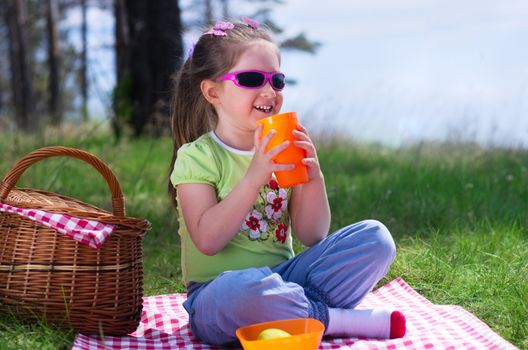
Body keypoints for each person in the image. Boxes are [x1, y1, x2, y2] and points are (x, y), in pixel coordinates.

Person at [167, 18, 406, 346]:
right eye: (251, 79)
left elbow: (312, 235)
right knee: (240, 291)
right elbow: (207, 240)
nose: (269, 91)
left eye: (276, 80)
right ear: (212, 92)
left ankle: (296, 312)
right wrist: (255, 175)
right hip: (217, 297)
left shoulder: (283, 148)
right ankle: (330, 319)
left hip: (288, 281)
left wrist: (313, 176)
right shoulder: (197, 157)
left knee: (377, 239)